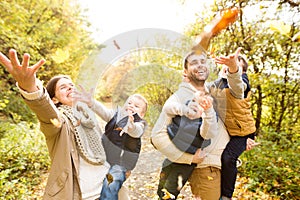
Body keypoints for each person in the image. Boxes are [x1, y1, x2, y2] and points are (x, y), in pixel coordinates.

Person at [0, 49, 129, 200]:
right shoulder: (58, 121)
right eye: (63, 87)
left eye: (71, 85)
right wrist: (29, 87)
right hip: (84, 195)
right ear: (54, 99)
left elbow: (116, 121)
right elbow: (46, 112)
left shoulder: (88, 114)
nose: (70, 87)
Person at [73, 88, 148, 200]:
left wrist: (131, 126)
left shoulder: (139, 124)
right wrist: (91, 102)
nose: (131, 106)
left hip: (120, 164)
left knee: (111, 181)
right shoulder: (115, 116)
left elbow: (137, 131)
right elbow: (103, 111)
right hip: (103, 158)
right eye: (129, 103)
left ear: (141, 115)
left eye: (136, 106)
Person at [155, 84, 218, 199]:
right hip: (173, 154)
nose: (195, 104)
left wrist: (208, 113)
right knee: (163, 182)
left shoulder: (208, 118)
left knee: (171, 188)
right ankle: (160, 196)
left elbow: (208, 133)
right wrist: (184, 109)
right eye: (194, 100)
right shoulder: (184, 107)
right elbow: (168, 108)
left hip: (188, 159)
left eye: (200, 103)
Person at [212, 55, 257, 200]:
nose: (229, 66)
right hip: (231, 130)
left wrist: (233, 69)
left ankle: (227, 196)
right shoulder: (218, 84)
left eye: (235, 65)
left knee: (228, 158)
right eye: (227, 64)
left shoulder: (242, 82)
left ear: (241, 71)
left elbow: (236, 84)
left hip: (243, 133)